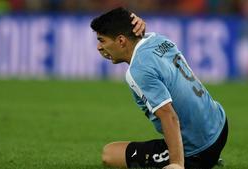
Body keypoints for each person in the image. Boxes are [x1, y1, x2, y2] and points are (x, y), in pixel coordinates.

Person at [90, 7, 228, 169]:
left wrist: (177, 163)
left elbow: (169, 117)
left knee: (110, 154)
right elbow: (139, 37)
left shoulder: (138, 71)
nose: (99, 47)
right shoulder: (158, 39)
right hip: (220, 124)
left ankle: (194, 161)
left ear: (121, 41)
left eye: (102, 40)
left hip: (200, 148)